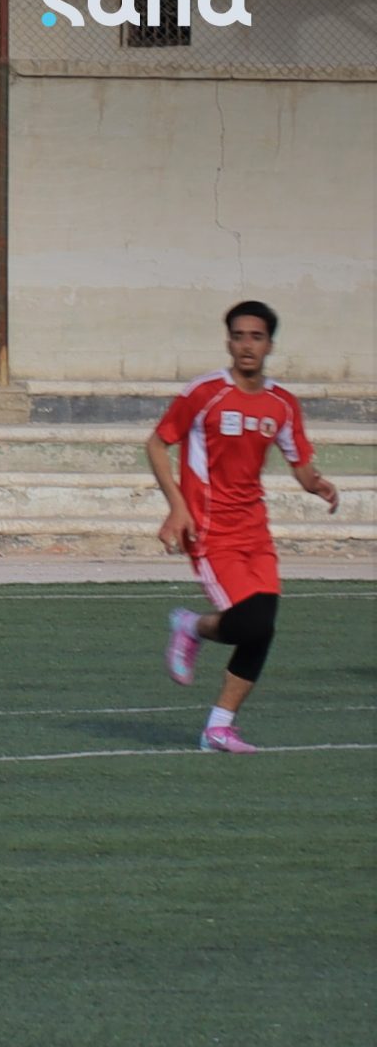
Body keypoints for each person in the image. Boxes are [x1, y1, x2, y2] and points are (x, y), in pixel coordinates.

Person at [147, 301, 338, 752]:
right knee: (251, 623)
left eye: (256, 337)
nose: (246, 345)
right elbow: (157, 444)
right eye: (238, 336)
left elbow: (299, 462)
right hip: (210, 531)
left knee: (262, 627)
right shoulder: (205, 393)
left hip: (255, 530)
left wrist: (316, 484)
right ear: (228, 342)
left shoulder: (282, 404)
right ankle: (192, 627)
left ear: (270, 345)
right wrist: (177, 507)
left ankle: (219, 727)